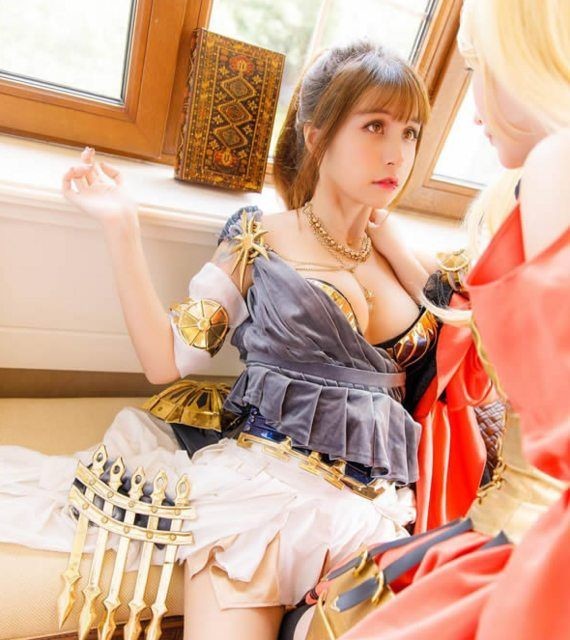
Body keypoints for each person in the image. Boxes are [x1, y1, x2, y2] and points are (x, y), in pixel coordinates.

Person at [0, 41, 455, 640]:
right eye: (375, 126)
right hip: (258, 497)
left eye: (411, 132)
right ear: (317, 137)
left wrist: (393, 241)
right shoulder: (258, 240)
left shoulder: (411, 262)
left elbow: (476, 332)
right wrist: (122, 226)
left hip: (373, 512)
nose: (398, 152)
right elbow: (167, 359)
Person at [295, 1, 570, 638]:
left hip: (521, 539)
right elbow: (459, 302)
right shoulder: (521, 190)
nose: (472, 109)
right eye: (374, 127)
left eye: (478, 66)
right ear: (316, 137)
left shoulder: (553, 167)